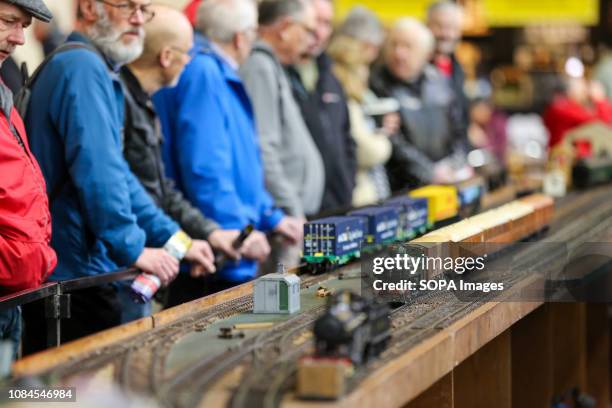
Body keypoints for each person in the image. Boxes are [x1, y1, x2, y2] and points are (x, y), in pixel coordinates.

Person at [22, 0, 215, 353]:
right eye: (128, 6)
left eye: (144, 9)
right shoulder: (81, 66)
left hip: (82, 271)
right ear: (90, 8)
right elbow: (99, 173)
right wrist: (134, 246)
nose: (138, 19)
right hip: (72, 279)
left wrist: (176, 238)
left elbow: (121, 176)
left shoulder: (93, 66)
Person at [153, 0, 302, 304]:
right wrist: (236, 233)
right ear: (240, 37)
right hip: (217, 254)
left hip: (227, 243)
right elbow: (205, 167)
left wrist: (271, 217)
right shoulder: (204, 72)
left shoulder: (217, 72)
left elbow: (243, 163)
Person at [119, 5, 240, 322]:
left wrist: (207, 234)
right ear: (166, 56)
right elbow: (139, 198)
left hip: (145, 258)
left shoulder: (142, 103)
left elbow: (162, 190)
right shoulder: (127, 105)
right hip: (127, 267)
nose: (190, 62)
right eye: (187, 54)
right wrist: (182, 242)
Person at [240, 0, 324, 267]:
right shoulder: (259, 65)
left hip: (287, 218)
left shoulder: (272, 65)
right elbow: (263, 147)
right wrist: (290, 210)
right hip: (282, 221)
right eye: (308, 30)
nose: (313, 39)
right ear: (286, 27)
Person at [0, 0, 56, 358]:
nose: (20, 38)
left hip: (13, 299)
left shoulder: (4, 93)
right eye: (8, 21)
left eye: (24, 25)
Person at [370, 18, 471, 189]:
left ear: (426, 53)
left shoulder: (441, 82)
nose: (399, 53)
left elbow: (459, 130)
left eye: (407, 47)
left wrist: (456, 165)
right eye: (394, 45)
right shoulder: (377, 84)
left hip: (446, 181)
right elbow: (394, 143)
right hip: (402, 190)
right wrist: (430, 173)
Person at [284, 0, 356, 213]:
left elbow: (346, 138)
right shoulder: (278, 75)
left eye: (326, 23)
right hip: (296, 211)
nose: (318, 31)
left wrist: (348, 183)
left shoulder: (330, 75)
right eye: (313, 21)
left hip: (338, 204)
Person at [328, 14, 400, 206]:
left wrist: (380, 128)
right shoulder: (340, 81)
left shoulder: (355, 79)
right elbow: (364, 148)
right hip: (357, 193)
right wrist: (384, 140)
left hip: (367, 189)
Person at [427, 1, 469, 131]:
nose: (445, 34)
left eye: (451, 27)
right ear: (427, 26)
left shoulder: (458, 70)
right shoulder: (414, 68)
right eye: (439, 26)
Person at [543, 76, 612, 149]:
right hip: (563, 156)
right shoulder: (560, 108)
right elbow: (599, 124)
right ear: (570, 90)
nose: (586, 94)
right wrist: (600, 100)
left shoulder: (575, 108)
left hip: (578, 155)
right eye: (583, 90)